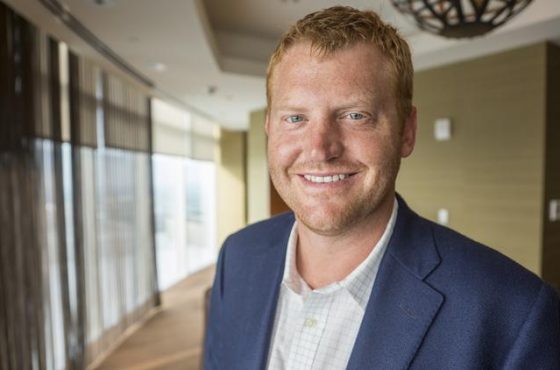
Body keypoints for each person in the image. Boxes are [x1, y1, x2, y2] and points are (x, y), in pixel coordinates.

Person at [204, 6, 560, 370]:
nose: (319, 149)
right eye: (295, 118)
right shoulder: (238, 257)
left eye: (355, 115)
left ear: (407, 131)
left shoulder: (514, 313)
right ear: (269, 128)